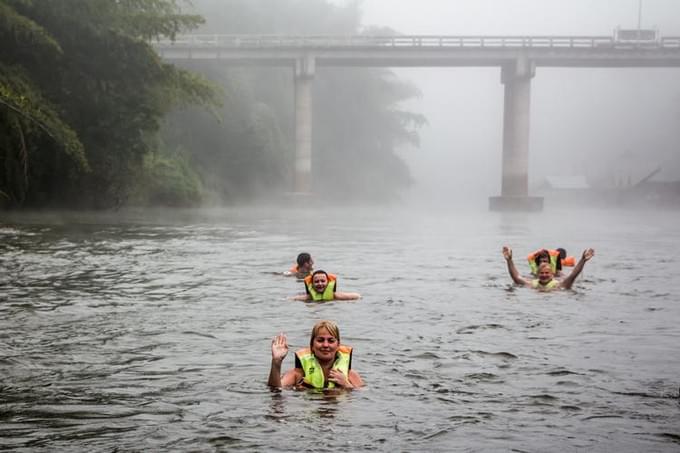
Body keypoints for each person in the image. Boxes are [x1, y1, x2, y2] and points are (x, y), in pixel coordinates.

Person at [267, 320, 364, 390]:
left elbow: (363, 397)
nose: (325, 345)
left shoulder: (350, 375)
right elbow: (275, 389)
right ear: (312, 345)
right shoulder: (298, 374)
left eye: (331, 341)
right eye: (320, 340)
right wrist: (276, 362)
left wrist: (346, 385)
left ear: (338, 345)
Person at [504, 246, 595, 291]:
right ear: (538, 274)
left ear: (552, 274)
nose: (544, 275)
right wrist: (509, 260)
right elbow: (516, 277)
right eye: (542, 273)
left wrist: (583, 260)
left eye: (547, 273)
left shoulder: (559, 285)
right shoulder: (532, 284)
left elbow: (572, 276)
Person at [291, 270, 361, 301]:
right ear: (312, 284)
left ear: (328, 282)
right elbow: (289, 299)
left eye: (323, 281)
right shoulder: (308, 298)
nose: (320, 283)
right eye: (316, 281)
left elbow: (357, 296)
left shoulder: (335, 295)